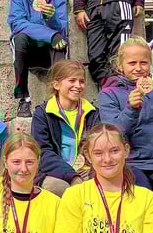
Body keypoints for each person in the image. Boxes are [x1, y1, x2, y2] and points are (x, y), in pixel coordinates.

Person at [98, 37, 153, 201]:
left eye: (143, 63)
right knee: (144, 198)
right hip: (130, 163)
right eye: (132, 63)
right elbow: (113, 133)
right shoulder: (109, 94)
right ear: (120, 65)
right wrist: (131, 108)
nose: (138, 68)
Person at [8, 0, 68, 118]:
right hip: (28, 52)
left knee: (61, 42)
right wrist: (50, 34)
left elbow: (61, 27)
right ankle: (23, 99)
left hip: (50, 51)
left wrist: (50, 18)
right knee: (19, 39)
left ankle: (59, 99)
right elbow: (17, 24)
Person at [31, 60, 101, 196]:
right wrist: (72, 176)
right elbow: (43, 152)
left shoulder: (92, 112)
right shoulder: (43, 114)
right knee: (55, 187)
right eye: (72, 81)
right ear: (56, 84)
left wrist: (91, 169)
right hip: (55, 173)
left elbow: (99, 146)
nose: (78, 86)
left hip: (86, 170)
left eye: (81, 81)